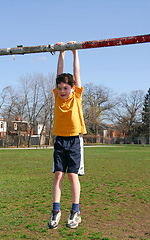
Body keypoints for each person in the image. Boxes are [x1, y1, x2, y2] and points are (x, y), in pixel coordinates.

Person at [48, 41, 87, 229]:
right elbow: (58, 74)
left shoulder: (76, 95)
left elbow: (76, 74)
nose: (63, 91)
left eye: (66, 88)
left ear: (72, 88)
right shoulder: (57, 96)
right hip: (60, 140)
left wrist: (74, 53)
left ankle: (75, 211)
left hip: (74, 140)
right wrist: (60, 53)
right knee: (58, 175)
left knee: (72, 176)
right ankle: (55, 211)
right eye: (60, 88)